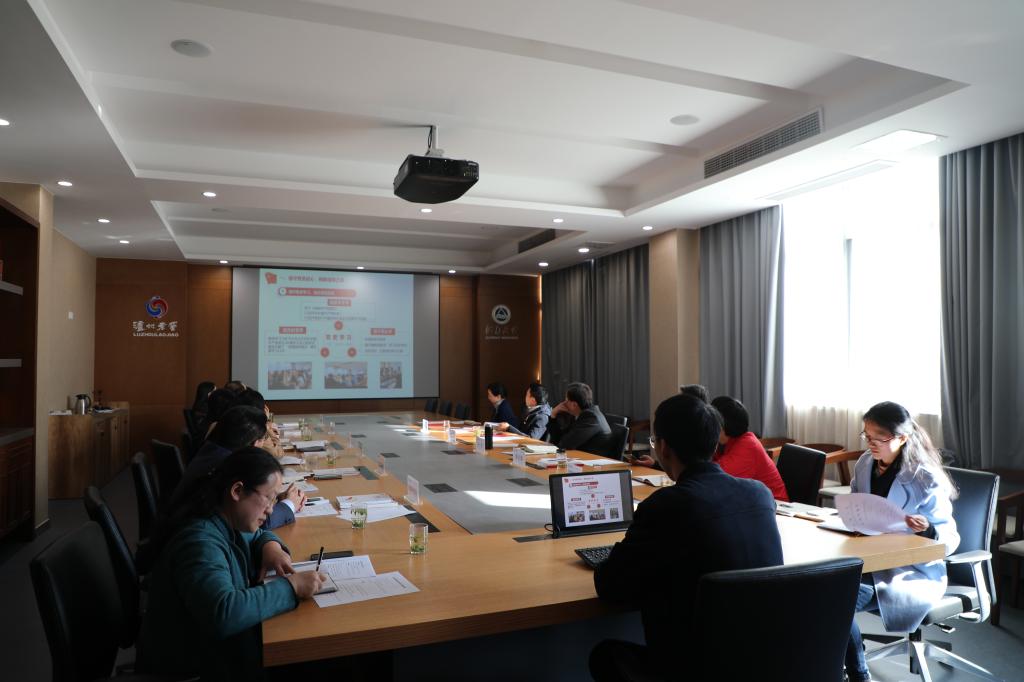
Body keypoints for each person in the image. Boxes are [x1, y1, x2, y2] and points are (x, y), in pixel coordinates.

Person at [590, 394, 783, 681]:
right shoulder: (760, 495)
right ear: (714, 444)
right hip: (764, 661)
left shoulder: (666, 506)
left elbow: (610, 586)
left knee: (605, 655)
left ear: (664, 447)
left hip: (694, 666)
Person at [136, 447, 324, 680]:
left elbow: (256, 535)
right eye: (268, 498)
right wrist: (292, 587)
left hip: (221, 650)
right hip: (197, 667)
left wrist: (270, 546)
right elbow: (223, 613)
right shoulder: (199, 542)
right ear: (237, 491)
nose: (271, 510)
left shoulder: (223, 516)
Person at [844, 401, 959, 682]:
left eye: (879, 438)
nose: (871, 444)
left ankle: (858, 674)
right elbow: (857, 503)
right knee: (822, 590)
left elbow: (950, 539)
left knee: (836, 600)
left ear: (902, 438)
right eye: (867, 436)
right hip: (870, 559)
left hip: (909, 572)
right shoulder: (865, 464)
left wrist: (928, 530)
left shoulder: (924, 477)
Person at [175, 406, 304, 529]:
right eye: (263, 438)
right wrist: (289, 505)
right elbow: (253, 522)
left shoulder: (214, 449)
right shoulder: (228, 466)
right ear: (255, 444)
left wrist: (271, 498)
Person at [710, 396, 789, 501]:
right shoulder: (727, 442)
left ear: (722, 425)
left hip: (774, 505)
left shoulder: (748, 446)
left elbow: (713, 479)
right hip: (751, 501)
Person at [546, 382, 611, 452]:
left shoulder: (591, 417)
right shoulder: (582, 414)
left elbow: (564, 445)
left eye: (566, 400)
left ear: (574, 404)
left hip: (591, 458)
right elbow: (559, 440)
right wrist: (553, 415)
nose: (564, 403)